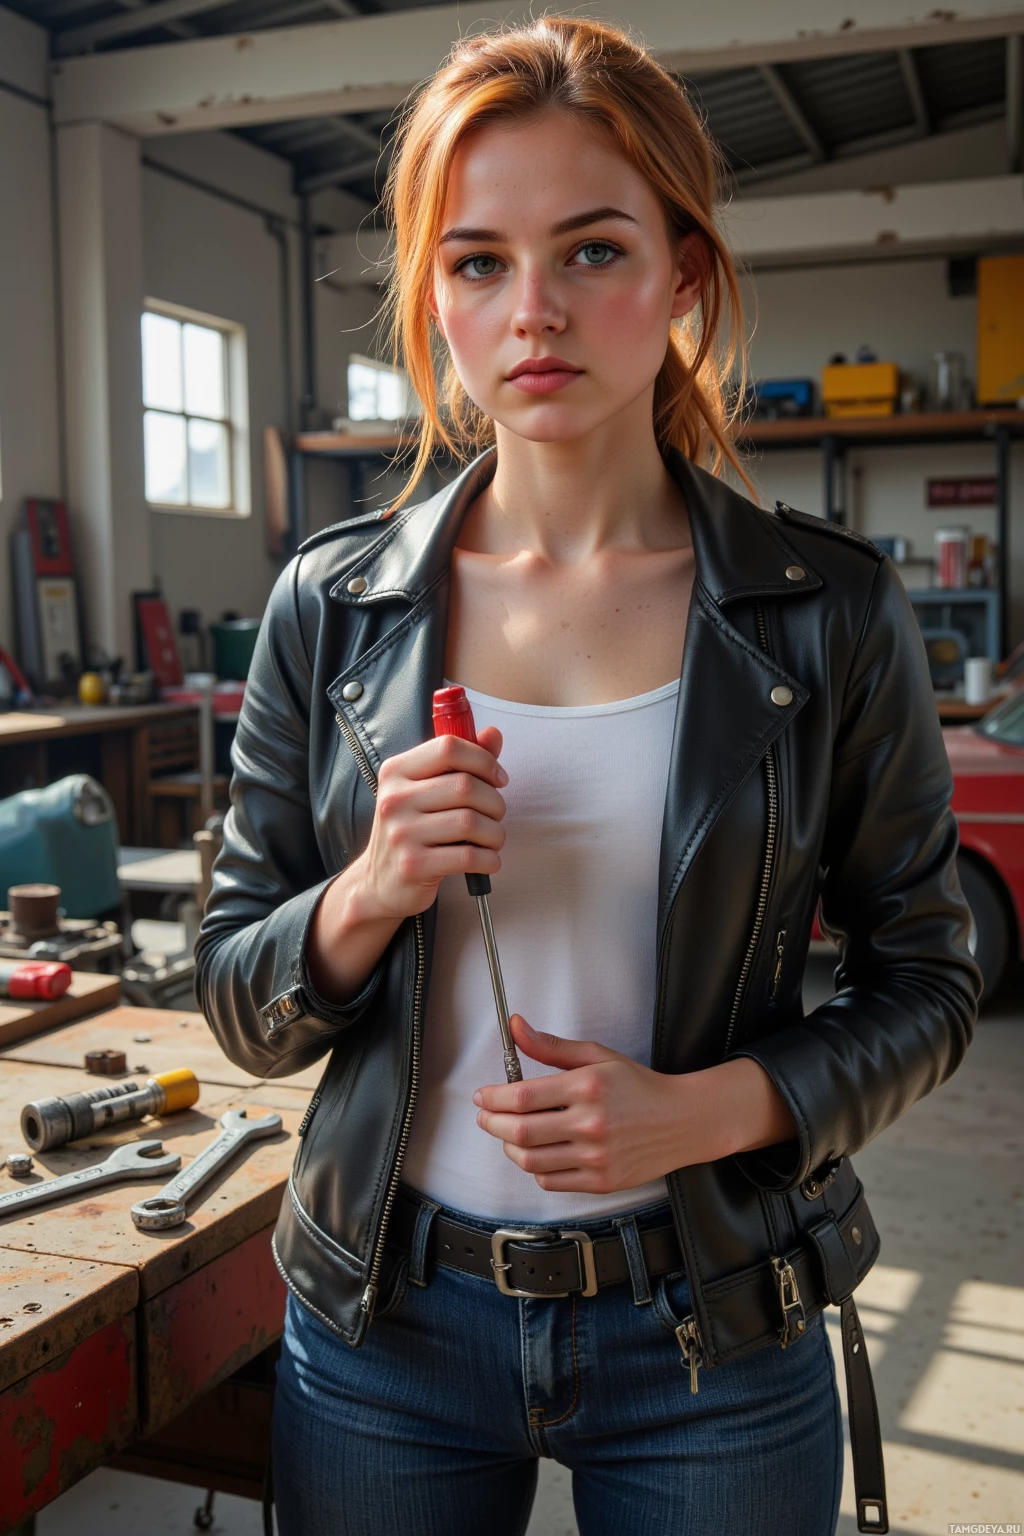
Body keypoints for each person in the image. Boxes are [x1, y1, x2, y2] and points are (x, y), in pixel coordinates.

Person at [195, 17, 982, 1536]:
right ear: (432, 293)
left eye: (593, 250)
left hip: (714, 1322)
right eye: (478, 260)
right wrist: (367, 891)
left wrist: (709, 1112)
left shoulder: (826, 613)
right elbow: (236, 995)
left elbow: (931, 985)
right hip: (387, 1328)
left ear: (685, 274)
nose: (533, 309)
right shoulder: (332, 606)